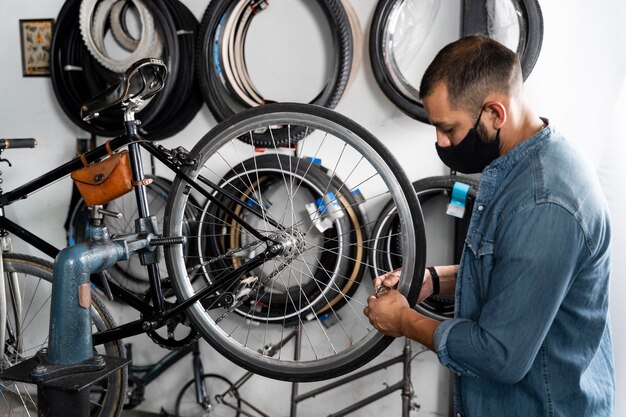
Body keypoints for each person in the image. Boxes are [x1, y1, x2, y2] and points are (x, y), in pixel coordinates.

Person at [363, 35, 614, 417]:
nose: (441, 142)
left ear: (495, 113)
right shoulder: (527, 165)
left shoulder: (542, 201)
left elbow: (499, 354)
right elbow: (515, 275)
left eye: (449, 128)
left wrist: (404, 321)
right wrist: (435, 279)